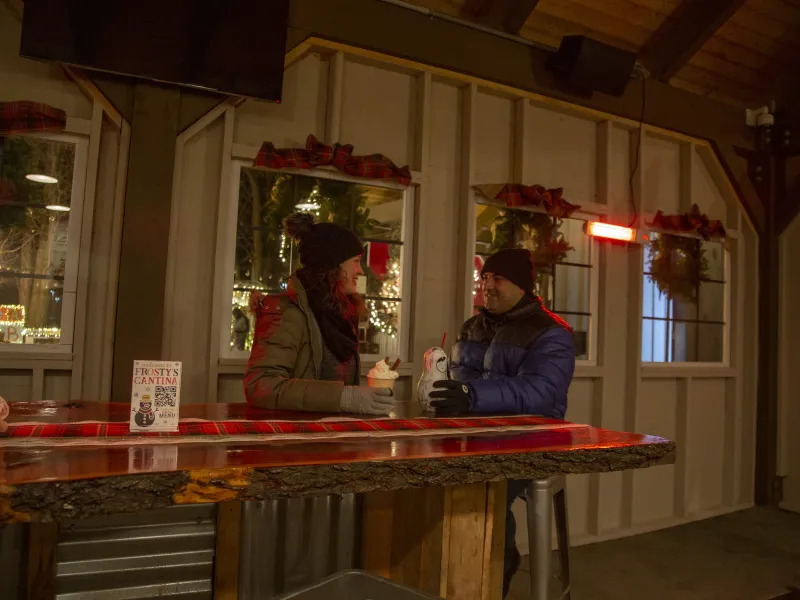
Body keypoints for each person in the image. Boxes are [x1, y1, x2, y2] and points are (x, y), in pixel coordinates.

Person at [429, 248, 575, 598]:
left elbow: (541, 392)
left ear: (522, 286)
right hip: (476, 433)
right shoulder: (473, 325)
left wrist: (471, 395)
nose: (487, 286)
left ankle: (495, 570)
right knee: (422, 475)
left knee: (484, 488)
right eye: (485, 278)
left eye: (498, 279)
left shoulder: (550, 332)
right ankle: (441, 569)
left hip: (531, 437)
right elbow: (460, 381)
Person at [244, 212, 394, 416]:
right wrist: (343, 397)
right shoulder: (288, 312)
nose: (360, 271)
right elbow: (261, 386)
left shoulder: (341, 314)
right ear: (333, 264)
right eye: (356, 261)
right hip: (294, 439)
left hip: (334, 436)